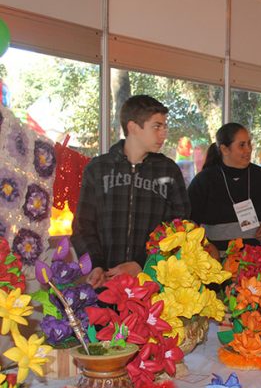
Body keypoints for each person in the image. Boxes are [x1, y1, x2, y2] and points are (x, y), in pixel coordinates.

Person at [72, 95, 191, 289]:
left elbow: (180, 226)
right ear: (133, 127)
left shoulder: (168, 170)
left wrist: (142, 263)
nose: (163, 133)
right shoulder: (98, 168)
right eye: (157, 126)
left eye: (164, 127)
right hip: (105, 284)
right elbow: (83, 226)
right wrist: (96, 265)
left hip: (152, 284)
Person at [188, 122, 261, 252]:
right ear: (225, 149)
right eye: (242, 145)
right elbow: (188, 223)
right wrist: (205, 244)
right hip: (216, 267)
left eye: (249, 143)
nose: (248, 149)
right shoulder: (203, 181)